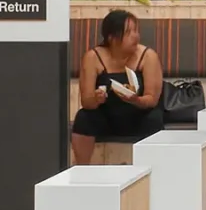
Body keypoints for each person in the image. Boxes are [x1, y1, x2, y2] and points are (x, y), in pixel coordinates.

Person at [69, 9, 163, 164]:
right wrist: (97, 99)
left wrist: (136, 100)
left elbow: (152, 99)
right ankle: (81, 170)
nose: (136, 36)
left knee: (154, 118)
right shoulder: (93, 57)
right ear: (112, 38)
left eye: (136, 31)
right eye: (128, 32)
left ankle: (154, 169)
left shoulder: (147, 56)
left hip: (139, 116)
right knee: (84, 117)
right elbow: (86, 101)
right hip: (107, 116)